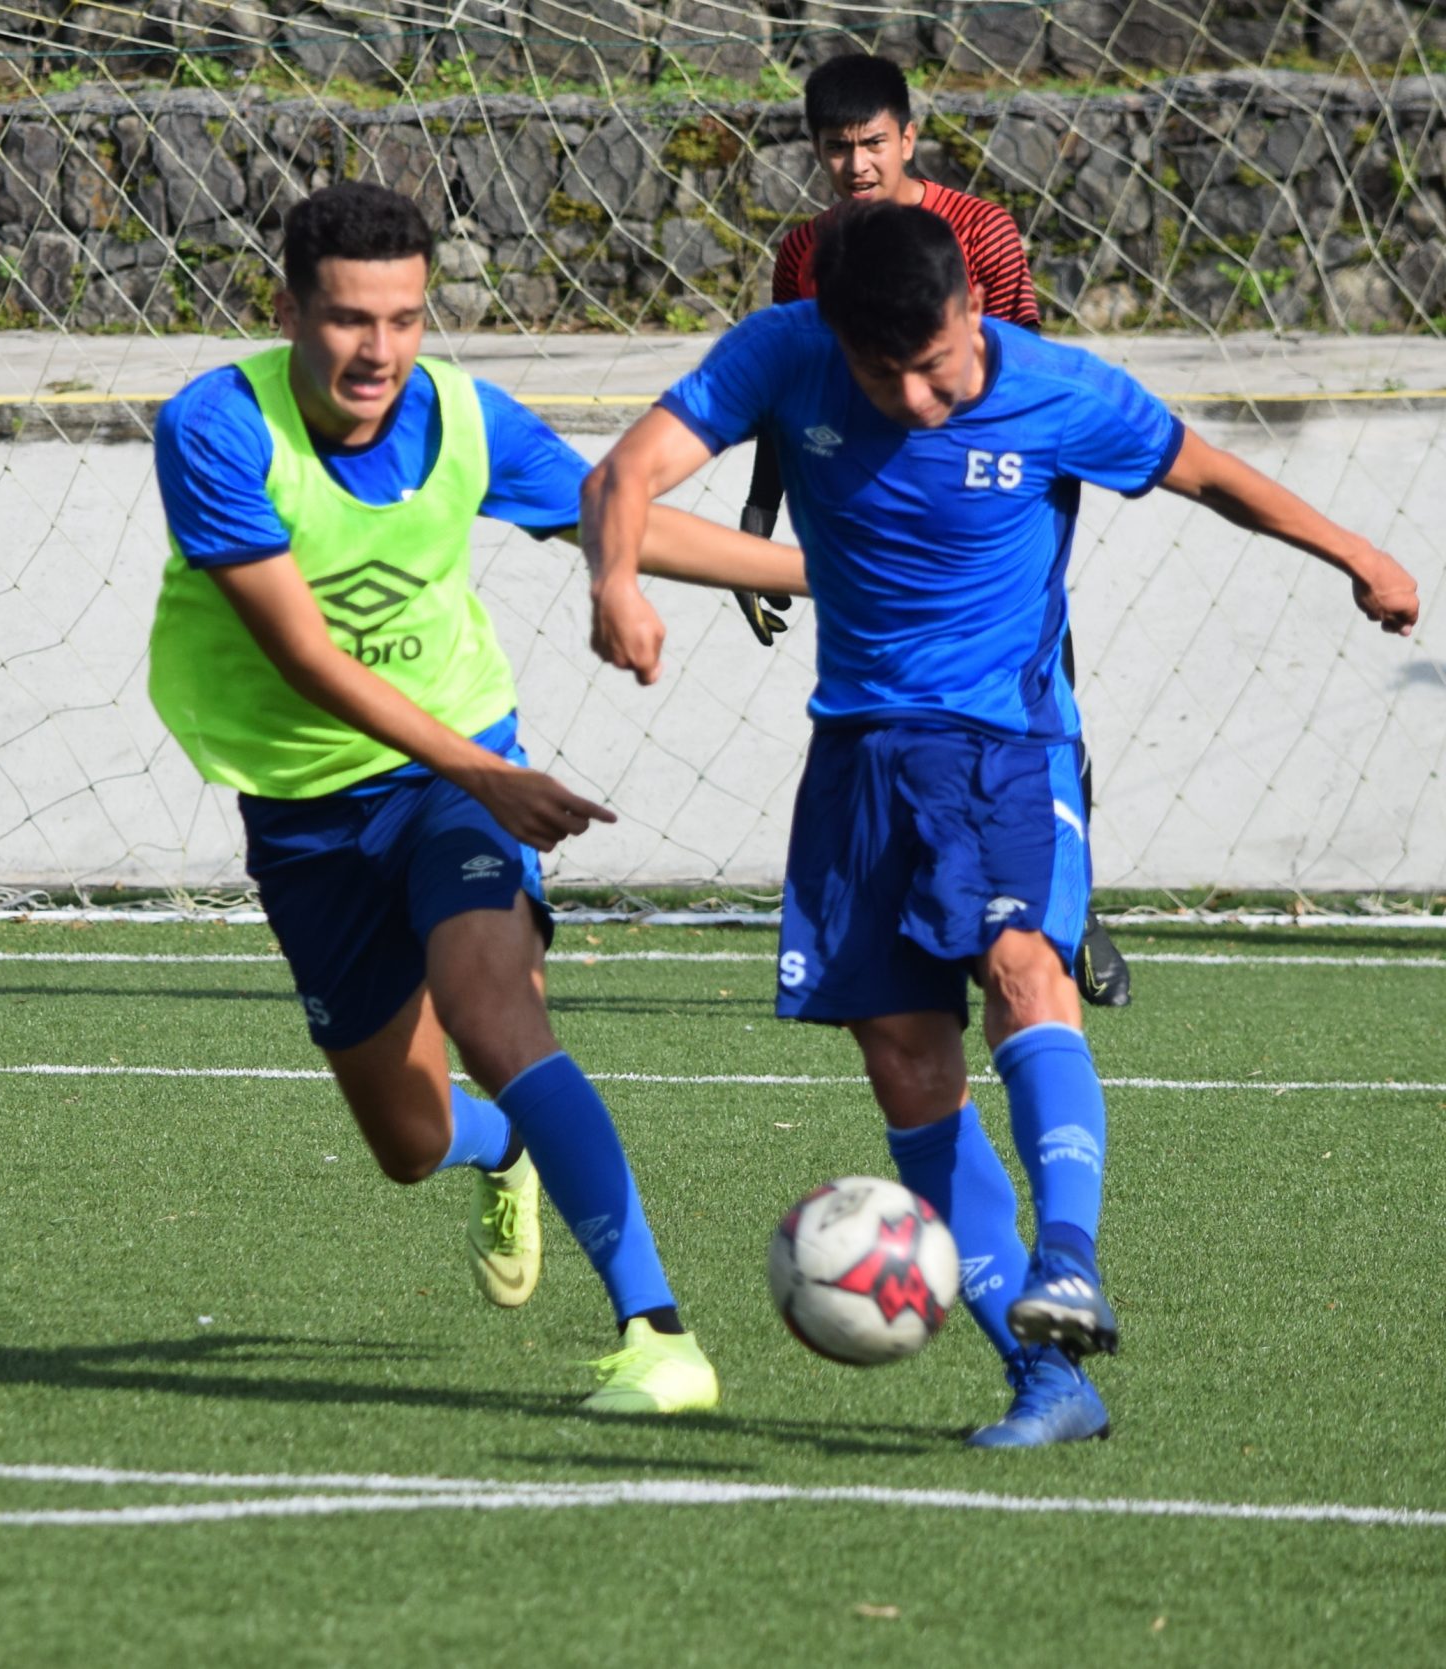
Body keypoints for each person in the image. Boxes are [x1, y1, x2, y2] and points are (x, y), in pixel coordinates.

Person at [583, 201, 1420, 1446]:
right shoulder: (782, 353)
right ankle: (1045, 1378)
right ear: (835, 339)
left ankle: (1068, 1260)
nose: (919, 399)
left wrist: (1358, 555)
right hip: (858, 755)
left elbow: (1210, 475)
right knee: (903, 1063)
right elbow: (624, 474)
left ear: (971, 309)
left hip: (1006, 745)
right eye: (886, 377)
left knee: (1024, 967)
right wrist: (615, 579)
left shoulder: (1057, 390)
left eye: (935, 365)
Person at [147, 181, 803, 1414]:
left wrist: (828, 572)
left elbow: (611, 514)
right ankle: (503, 1149)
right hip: (309, 806)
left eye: (403, 319)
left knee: (494, 1014)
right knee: (407, 1144)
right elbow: (304, 656)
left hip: (453, 773)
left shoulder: (461, 414)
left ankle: (657, 1332)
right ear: (287, 311)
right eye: (349, 319)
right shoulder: (215, 429)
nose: (379, 350)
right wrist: (483, 771)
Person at [740, 52, 1135, 1006]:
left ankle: (1071, 905)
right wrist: (757, 524)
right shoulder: (804, 253)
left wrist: (1028, 517)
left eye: (873, 142)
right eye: (837, 148)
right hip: (871, 532)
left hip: (989, 529)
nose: (858, 164)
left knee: (1042, 710)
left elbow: (1030, 378)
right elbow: (793, 398)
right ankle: (920, 918)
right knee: (900, 728)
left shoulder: (981, 231)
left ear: (909, 137)